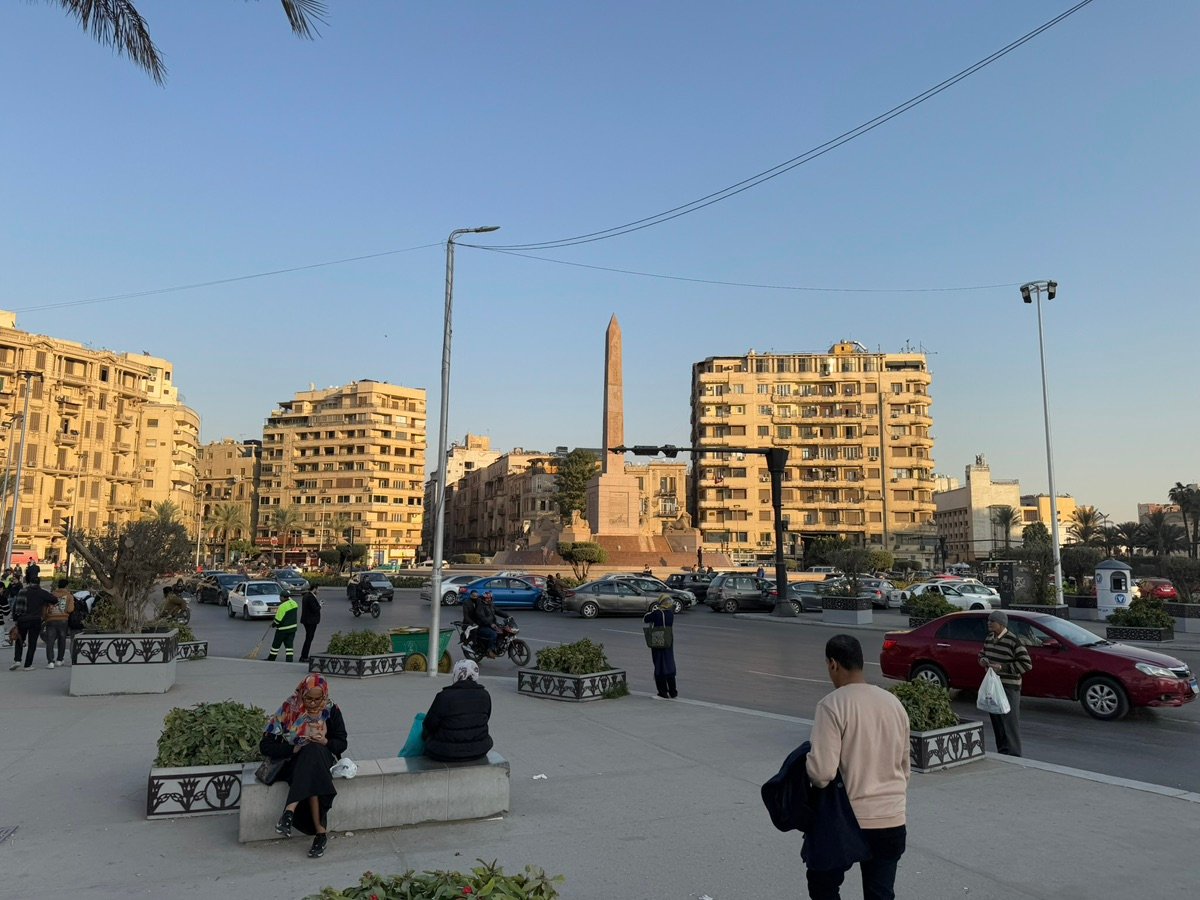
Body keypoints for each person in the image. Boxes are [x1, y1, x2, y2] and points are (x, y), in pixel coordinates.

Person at [805, 634, 911, 900]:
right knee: (881, 893)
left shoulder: (832, 705)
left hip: (847, 821)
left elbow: (822, 773)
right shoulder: (893, 704)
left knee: (822, 884)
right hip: (892, 819)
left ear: (833, 664)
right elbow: (904, 766)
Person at [260, 673, 347, 858]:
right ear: (302, 693)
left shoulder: (331, 710)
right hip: (294, 763)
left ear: (325, 695)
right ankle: (320, 834)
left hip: (322, 759)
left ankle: (289, 812)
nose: (314, 703)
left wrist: (324, 741)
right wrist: (293, 749)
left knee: (314, 752)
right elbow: (265, 745)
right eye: (309, 698)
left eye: (318, 699)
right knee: (312, 765)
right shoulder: (288, 708)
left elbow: (342, 743)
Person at [979, 610, 1032, 757]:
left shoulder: (1013, 641)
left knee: (1010, 722)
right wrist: (983, 660)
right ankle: (1002, 752)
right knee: (997, 721)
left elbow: (1026, 664)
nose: (989, 623)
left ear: (1001, 624)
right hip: (993, 686)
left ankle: (1014, 754)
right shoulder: (990, 638)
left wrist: (1003, 668)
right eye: (989, 621)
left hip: (1009, 687)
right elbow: (982, 653)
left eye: (992, 621)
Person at [423, 659, 493, 762]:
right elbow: (486, 717)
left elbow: (429, 724)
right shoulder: (485, 695)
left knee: (425, 737)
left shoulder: (444, 696)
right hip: (480, 750)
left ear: (457, 673)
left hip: (446, 753)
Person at [10, 579, 56, 671]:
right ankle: (28, 665)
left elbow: (15, 606)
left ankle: (17, 660)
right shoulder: (42, 592)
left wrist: (16, 619)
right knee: (32, 643)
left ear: (30, 583)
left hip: (22, 619)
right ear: (39, 583)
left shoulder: (22, 591)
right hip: (35, 620)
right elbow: (54, 599)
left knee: (20, 639)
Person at [643, 594, 677, 699]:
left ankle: (663, 692)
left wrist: (655, 609)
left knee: (659, 665)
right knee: (669, 663)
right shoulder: (671, 614)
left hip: (658, 640)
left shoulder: (657, 613)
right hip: (668, 641)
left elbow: (645, 618)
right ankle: (673, 691)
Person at [41, 579, 75, 669]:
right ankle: (59, 660)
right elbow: (70, 609)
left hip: (51, 619)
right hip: (63, 619)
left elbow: (44, 607)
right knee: (62, 639)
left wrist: (45, 617)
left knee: (50, 641)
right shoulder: (69, 596)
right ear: (66, 586)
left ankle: (50, 661)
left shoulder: (51, 595)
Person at [268, 590, 300, 662]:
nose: (279, 598)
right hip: (292, 629)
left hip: (282, 629)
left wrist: (272, 625)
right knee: (289, 646)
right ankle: (289, 660)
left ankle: (271, 658)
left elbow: (278, 620)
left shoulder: (282, 606)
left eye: (280, 597)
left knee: (276, 645)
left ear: (283, 597)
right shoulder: (294, 603)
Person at [473, 591, 501, 657]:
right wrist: (490, 624)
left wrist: (508, 616)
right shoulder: (480, 606)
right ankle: (489, 650)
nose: (489, 599)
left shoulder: (491, 605)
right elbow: (482, 617)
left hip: (490, 625)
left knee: (501, 631)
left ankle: (496, 647)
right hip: (481, 626)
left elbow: (499, 611)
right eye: (487, 598)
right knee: (493, 634)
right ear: (483, 598)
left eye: (490, 598)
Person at [298, 589, 322, 663]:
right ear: (314, 589)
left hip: (307, 620)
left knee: (308, 638)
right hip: (311, 621)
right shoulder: (310, 597)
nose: (319, 591)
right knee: (309, 639)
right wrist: (320, 605)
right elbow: (315, 609)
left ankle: (304, 656)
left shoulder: (306, 596)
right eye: (318, 589)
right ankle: (304, 656)